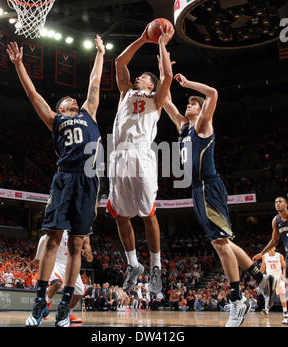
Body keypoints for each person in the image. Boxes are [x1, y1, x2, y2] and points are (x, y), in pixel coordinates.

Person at [162, 72, 278, 327]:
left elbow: (213, 93)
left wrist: (187, 83)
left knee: (220, 243)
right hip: (197, 190)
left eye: (193, 103)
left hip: (208, 186)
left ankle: (238, 300)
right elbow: (166, 100)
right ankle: (262, 280)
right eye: (189, 103)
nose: (189, 105)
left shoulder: (203, 124)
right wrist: (163, 58)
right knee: (222, 242)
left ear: (201, 109)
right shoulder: (183, 127)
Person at [7, 35, 105, 327]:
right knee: (52, 241)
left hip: (89, 181)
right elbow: (33, 95)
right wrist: (18, 65)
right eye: (66, 100)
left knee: (76, 246)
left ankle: (64, 308)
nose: (72, 99)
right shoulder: (55, 120)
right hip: (64, 179)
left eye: (73, 99)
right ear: (61, 108)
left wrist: (100, 54)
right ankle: (39, 304)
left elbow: (95, 83)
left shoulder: (89, 113)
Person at [106, 23, 174, 295]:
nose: (138, 79)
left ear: (151, 84)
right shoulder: (125, 93)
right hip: (119, 153)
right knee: (120, 215)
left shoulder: (156, 99)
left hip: (142, 153)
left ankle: (156, 267)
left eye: (144, 77)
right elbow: (120, 62)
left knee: (148, 213)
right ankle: (133, 265)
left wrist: (162, 45)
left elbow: (167, 77)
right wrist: (142, 38)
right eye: (139, 77)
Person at [32, 230, 93, 324]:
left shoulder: (83, 230)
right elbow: (44, 238)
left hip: (71, 265)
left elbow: (88, 247)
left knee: (80, 292)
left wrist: (88, 255)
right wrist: (37, 257)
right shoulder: (61, 227)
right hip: (56, 262)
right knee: (57, 283)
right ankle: (47, 304)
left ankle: (67, 313)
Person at [253, 196, 288, 324]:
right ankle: (280, 314)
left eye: (280, 201)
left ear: (286, 204)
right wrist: (261, 253)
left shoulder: (279, 256)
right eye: (275, 202)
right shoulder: (276, 220)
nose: (277, 204)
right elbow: (274, 241)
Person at [259, 247, 287, 321]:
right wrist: (258, 275)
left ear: (275, 248)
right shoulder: (264, 256)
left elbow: (284, 267)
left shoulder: (279, 256)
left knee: (282, 295)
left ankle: (285, 312)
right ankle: (266, 311)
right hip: (270, 277)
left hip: (279, 277)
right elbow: (262, 268)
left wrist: (283, 276)